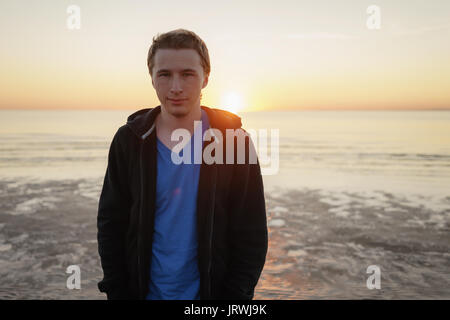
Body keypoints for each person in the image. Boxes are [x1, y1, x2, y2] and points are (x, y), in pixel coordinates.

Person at [97, 28, 268, 300]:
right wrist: (117, 292)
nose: (176, 87)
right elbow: (111, 222)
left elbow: (251, 232)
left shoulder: (234, 141)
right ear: (152, 79)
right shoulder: (129, 141)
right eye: (164, 74)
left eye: (187, 74)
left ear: (205, 78)